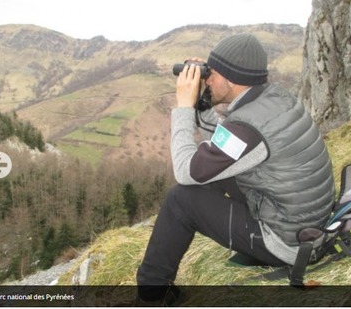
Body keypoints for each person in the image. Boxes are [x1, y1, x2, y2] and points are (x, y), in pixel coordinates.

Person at [136, 33, 335, 305]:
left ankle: (152, 296)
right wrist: (202, 101)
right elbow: (222, 144)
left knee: (180, 198)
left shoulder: (248, 128)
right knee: (209, 174)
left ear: (230, 79)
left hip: (286, 243)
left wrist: (183, 107)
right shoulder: (271, 98)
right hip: (303, 223)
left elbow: (185, 171)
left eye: (212, 74)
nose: (208, 79)